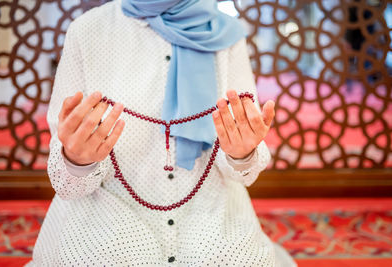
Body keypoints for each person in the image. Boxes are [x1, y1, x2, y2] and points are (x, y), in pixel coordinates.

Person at [26, 0, 296, 266]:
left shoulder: (227, 33)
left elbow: (242, 166)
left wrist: (242, 153)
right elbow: (65, 180)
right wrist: (77, 159)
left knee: (232, 260)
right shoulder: (87, 30)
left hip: (209, 203)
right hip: (108, 203)